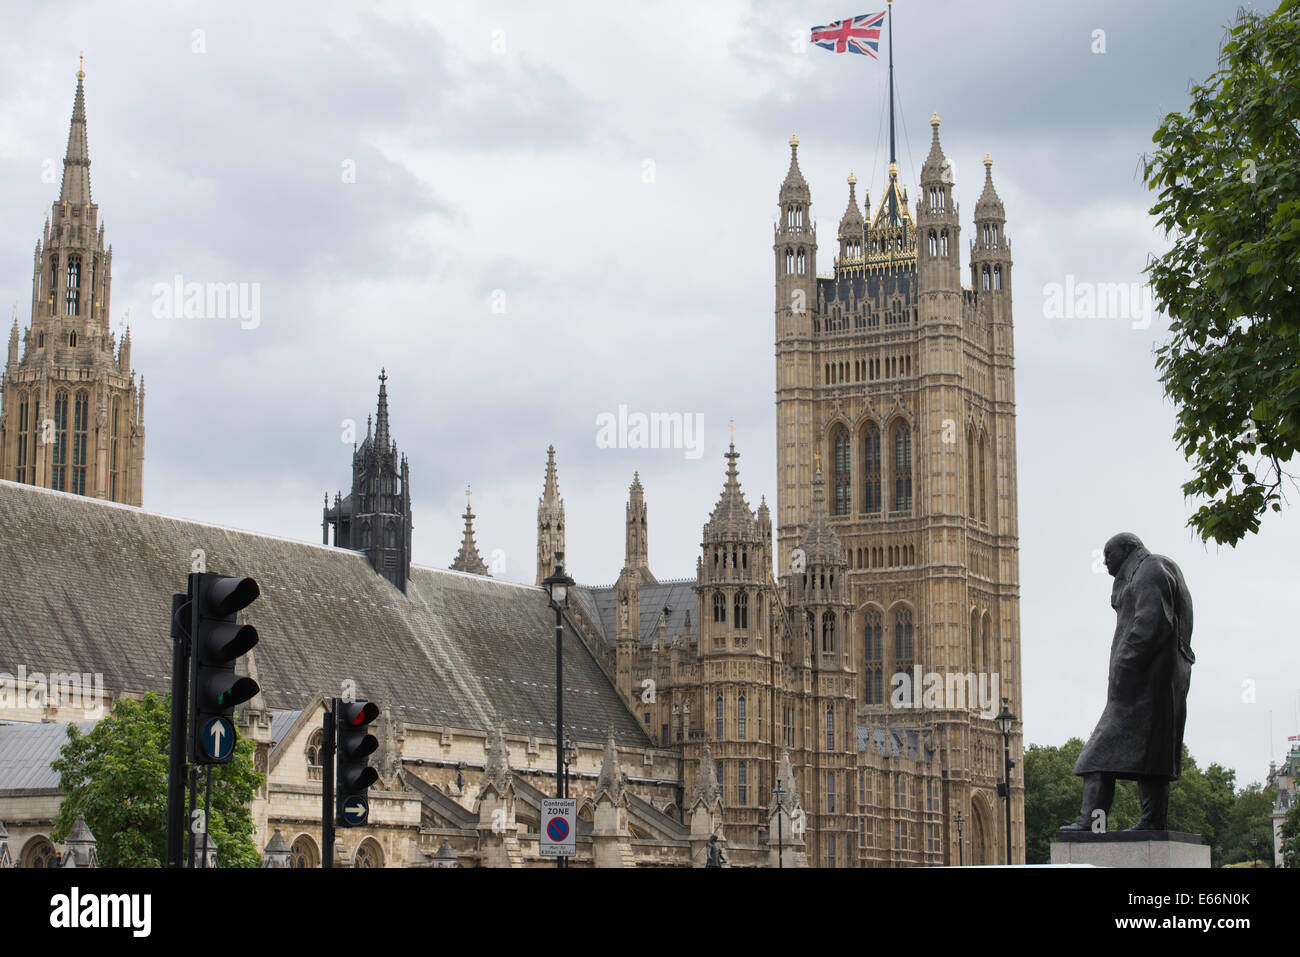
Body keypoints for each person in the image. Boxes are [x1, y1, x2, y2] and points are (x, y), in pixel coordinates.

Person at [1062, 533, 1194, 832]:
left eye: (1109, 554)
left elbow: (1152, 623)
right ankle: (1152, 821)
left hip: (1143, 683)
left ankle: (1092, 823)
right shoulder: (1154, 569)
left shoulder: (1149, 569)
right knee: (1154, 759)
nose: (1105, 561)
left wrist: (1124, 666)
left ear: (1127, 550)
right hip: (1158, 683)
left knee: (1096, 757)